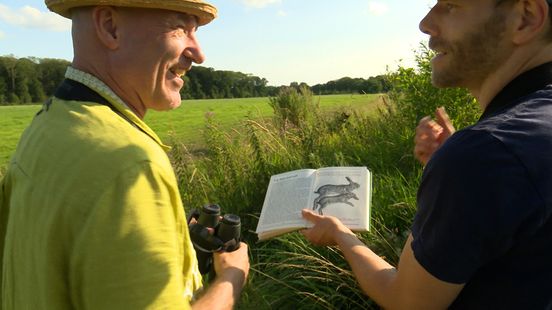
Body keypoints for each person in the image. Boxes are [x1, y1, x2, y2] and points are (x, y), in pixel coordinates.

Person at [301, 0, 552, 308]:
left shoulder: (486, 155)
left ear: (525, 18)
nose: (425, 23)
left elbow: (406, 301)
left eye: (450, 5)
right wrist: (454, 171)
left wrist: (340, 234)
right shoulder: (508, 146)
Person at [0, 0, 249, 309]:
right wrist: (231, 279)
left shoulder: (45, 127)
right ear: (109, 26)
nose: (198, 52)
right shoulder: (131, 166)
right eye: (181, 28)